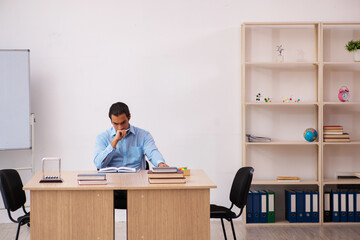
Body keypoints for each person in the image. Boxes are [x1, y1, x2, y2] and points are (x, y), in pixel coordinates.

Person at [94, 102, 168, 208]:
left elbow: (152, 151)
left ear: (129, 117)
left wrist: (160, 164)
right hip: (110, 187)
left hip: (137, 186)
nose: (120, 127)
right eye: (115, 124)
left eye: (123, 122)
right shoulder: (102, 137)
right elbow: (98, 164)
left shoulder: (143, 135)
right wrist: (114, 141)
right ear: (111, 121)